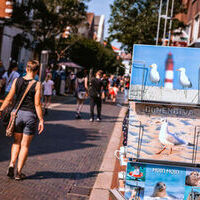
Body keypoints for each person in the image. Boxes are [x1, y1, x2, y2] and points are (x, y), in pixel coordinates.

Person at [0, 60, 44, 180]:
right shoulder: (37, 84)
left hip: (16, 115)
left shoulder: (17, 80)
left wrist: (1, 109)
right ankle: (19, 173)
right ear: (36, 71)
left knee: (16, 142)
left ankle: (11, 164)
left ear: (26, 69)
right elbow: (37, 104)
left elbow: (9, 98)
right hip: (29, 116)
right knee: (24, 146)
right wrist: (41, 120)